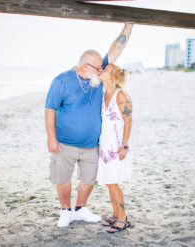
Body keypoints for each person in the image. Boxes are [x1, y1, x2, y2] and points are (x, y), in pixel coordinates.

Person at [45, 23, 134, 228]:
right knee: (64, 177)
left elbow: (115, 49)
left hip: (95, 146)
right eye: (98, 68)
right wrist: (51, 138)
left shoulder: (99, 82)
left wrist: (129, 25)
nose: (101, 69)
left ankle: (82, 209)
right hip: (67, 143)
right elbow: (49, 109)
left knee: (93, 180)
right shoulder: (62, 81)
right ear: (87, 66)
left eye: (103, 68)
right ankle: (66, 211)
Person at [97, 63, 133, 233]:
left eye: (105, 69)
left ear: (112, 75)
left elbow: (128, 121)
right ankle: (115, 214)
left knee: (113, 182)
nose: (101, 71)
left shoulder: (121, 95)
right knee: (108, 183)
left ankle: (123, 218)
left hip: (117, 146)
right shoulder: (104, 94)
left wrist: (124, 146)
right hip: (104, 146)